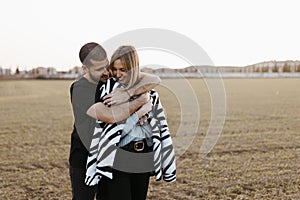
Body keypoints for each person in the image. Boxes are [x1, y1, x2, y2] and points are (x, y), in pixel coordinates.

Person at [69, 42, 161, 200]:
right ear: (85, 69)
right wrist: (141, 101)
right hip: (84, 158)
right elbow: (111, 116)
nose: (106, 72)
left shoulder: (109, 79)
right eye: (99, 69)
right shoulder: (79, 89)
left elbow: (154, 79)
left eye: (106, 66)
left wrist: (128, 92)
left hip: (108, 155)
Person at [85, 45, 176, 200]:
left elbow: (156, 80)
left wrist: (130, 94)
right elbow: (113, 125)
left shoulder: (145, 88)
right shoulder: (110, 90)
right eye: (115, 69)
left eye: (123, 69)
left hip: (142, 156)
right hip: (118, 157)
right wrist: (139, 111)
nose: (118, 74)